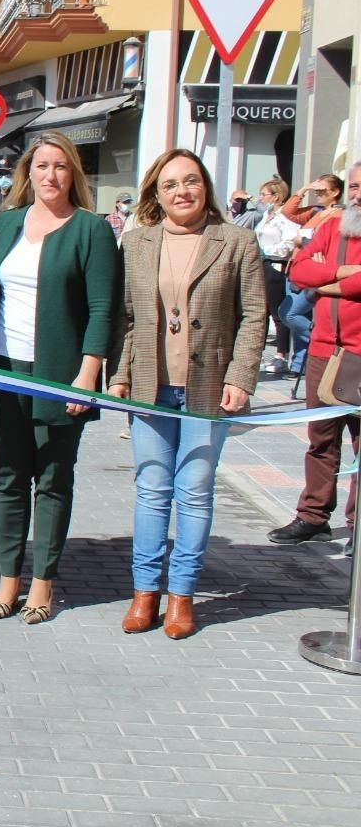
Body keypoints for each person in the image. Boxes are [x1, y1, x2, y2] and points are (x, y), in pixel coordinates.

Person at [109, 148, 263, 638]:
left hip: (208, 387)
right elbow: (127, 317)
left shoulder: (237, 242)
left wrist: (240, 378)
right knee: (152, 490)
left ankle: (182, 596)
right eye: (171, 184)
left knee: (194, 492)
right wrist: (120, 374)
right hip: (151, 387)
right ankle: (144, 593)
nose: (183, 192)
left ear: (206, 187)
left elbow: (254, 316)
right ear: (157, 192)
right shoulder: (135, 244)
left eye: (191, 181)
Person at [0, 132, 118, 625]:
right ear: (28, 173)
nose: (50, 175)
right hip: (3, 367)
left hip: (61, 372)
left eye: (60, 166)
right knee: (10, 475)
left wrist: (87, 376)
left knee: (54, 478)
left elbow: (104, 309)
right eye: (41, 166)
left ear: (72, 173)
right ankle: (8, 579)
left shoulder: (91, 230)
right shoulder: (7, 223)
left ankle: (43, 583)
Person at [269, 162, 361, 553]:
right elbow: (299, 271)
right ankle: (313, 515)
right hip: (324, 349)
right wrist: (341, 273)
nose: (358, 193)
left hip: (359, 354)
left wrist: (328, 283)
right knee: (319, 439)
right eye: (355, 186)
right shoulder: (331, 227)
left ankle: (357, 524)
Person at [278, 174, 343, 381]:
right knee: (295, 316)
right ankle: (299, 365)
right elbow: (288, 212)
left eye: (322, 191)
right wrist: (304, 189)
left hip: (315, 272)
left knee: (288, 313)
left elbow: (323, 242)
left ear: (335, 192)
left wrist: (302, 240)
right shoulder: (317, 211)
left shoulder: (338, 216)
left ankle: (325, 344)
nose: (318, 194)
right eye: (316, 190)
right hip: (296, 269)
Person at [251, 178, 299, 376]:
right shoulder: (267, 216)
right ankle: (257, 353)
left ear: (276, 196)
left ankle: (282, 355)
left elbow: (290, 243)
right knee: (260, 310)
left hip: (275, 264)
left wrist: (267, 250)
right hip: (261, 263)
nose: (261, 198)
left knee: (277, 312)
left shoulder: (285, 217)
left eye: (264, 194)